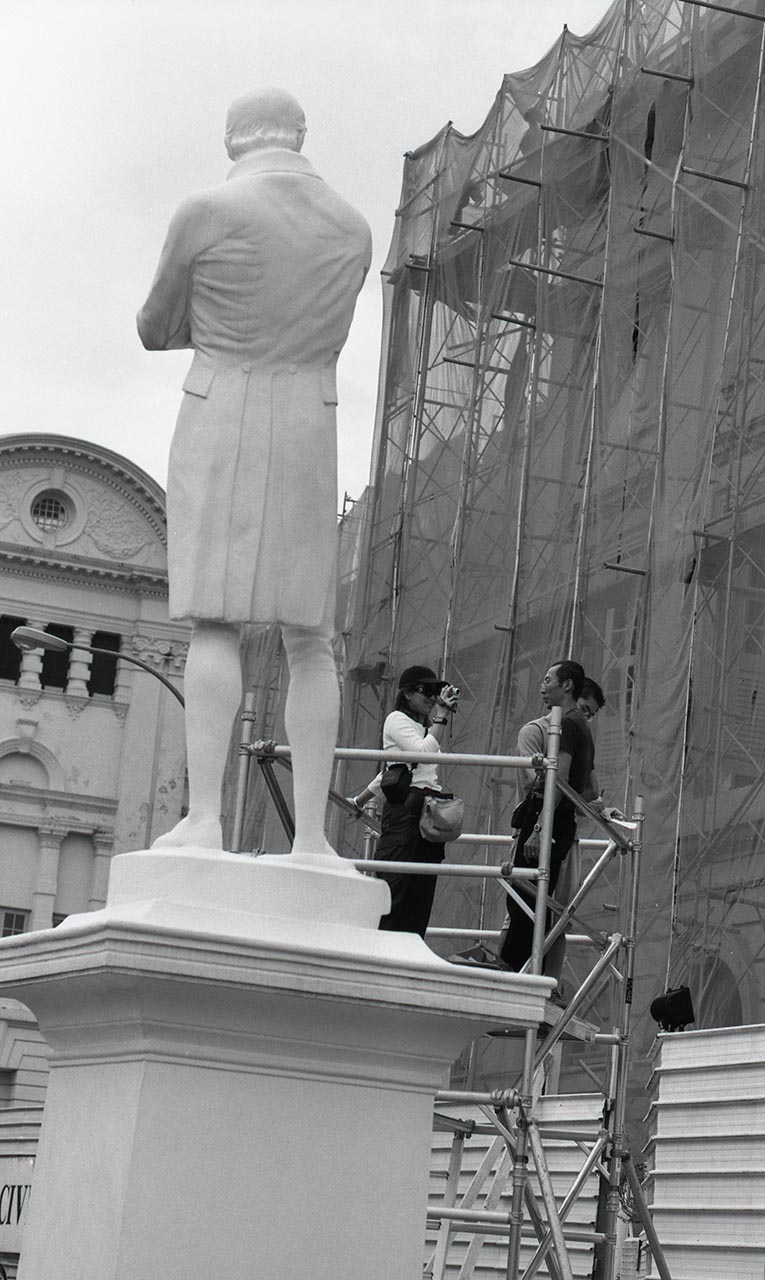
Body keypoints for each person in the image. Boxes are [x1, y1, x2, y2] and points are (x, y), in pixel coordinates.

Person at [137, 87, 371, 860]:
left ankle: (203, 816)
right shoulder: (352, 226)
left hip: (223, 406)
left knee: (216, 618)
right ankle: (309, 838)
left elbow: (155, 326)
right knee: (311, 637)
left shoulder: (206, 210)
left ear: (233, 137)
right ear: (300, 134)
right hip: (309, 419)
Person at [499, 660, 600, 972]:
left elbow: (561, 780)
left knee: (524, 901)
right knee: (535, 903)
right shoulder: (581, 726)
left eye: (548, 680)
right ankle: (524, 973)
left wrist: (541, 826)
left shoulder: (568, 724)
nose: (543, 687)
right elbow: (590, 790)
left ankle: (512, 975)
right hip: (561, 824)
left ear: (566, 685)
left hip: (547, 821)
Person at [373, 666, 460, 936]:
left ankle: (411, 949)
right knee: (394, 886)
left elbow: (394, 770)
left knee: (420, 892)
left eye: (435, 692)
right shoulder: (397, 719)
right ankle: (381, 948)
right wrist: (442, 717)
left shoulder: (424, 727)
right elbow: (422, 755)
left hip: (427, 809)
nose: (432, 698)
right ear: (408, 693)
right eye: (424, 691)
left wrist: (361, 800)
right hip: (407, 809)